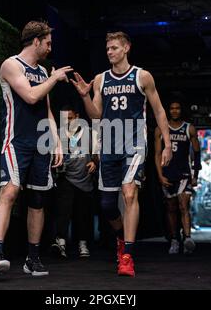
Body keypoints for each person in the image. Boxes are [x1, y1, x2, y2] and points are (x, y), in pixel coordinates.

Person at [71, 31, 172, 277]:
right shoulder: (100, 79)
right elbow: (95, 115)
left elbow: (158, 111)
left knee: (129, 193)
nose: (110, 52)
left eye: (114, 48)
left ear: (126, 48)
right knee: (107, 206)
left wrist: (167, 144)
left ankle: (127, 255)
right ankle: (120, 238)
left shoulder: (142, 76)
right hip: (109, 147)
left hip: (135, 144)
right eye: (107, 49)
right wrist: (84, 96)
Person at [0, 21, 73, 277]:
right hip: (16, 141)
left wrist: (56, 141)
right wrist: (55, 78)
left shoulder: (44, 72)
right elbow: (31, 96)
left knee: (37, 201)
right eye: (47, 43)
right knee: (10, 192)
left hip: (40, 145)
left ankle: (32, 258)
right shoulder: (11, 64)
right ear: (36, 41)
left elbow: (46, 109)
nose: (49, 48)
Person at [154, 100, 201, 255]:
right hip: (168, 174)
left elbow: (197, 153)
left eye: (177, 108)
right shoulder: (161, 129)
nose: (174, 111)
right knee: (171, 209)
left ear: (181, 110)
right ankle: (174, 239)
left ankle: (187, 238)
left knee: (183, 206)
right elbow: (157, 154)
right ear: (168, 110)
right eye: (172, 108)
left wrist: (195, 175)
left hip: (184, 174)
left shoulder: (189, 128)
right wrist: (160, 175)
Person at [51, 105, 98, 258]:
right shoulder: (58, 134)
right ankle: (61, 242)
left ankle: (82, 243)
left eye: (70, 118)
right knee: (63, 211)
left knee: (82, 213)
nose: (68, 122)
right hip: (66, 178)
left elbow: (97, 153)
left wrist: (95, 163)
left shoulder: (89, 133)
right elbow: (52, 156)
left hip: (85, 180)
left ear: (77, 117)